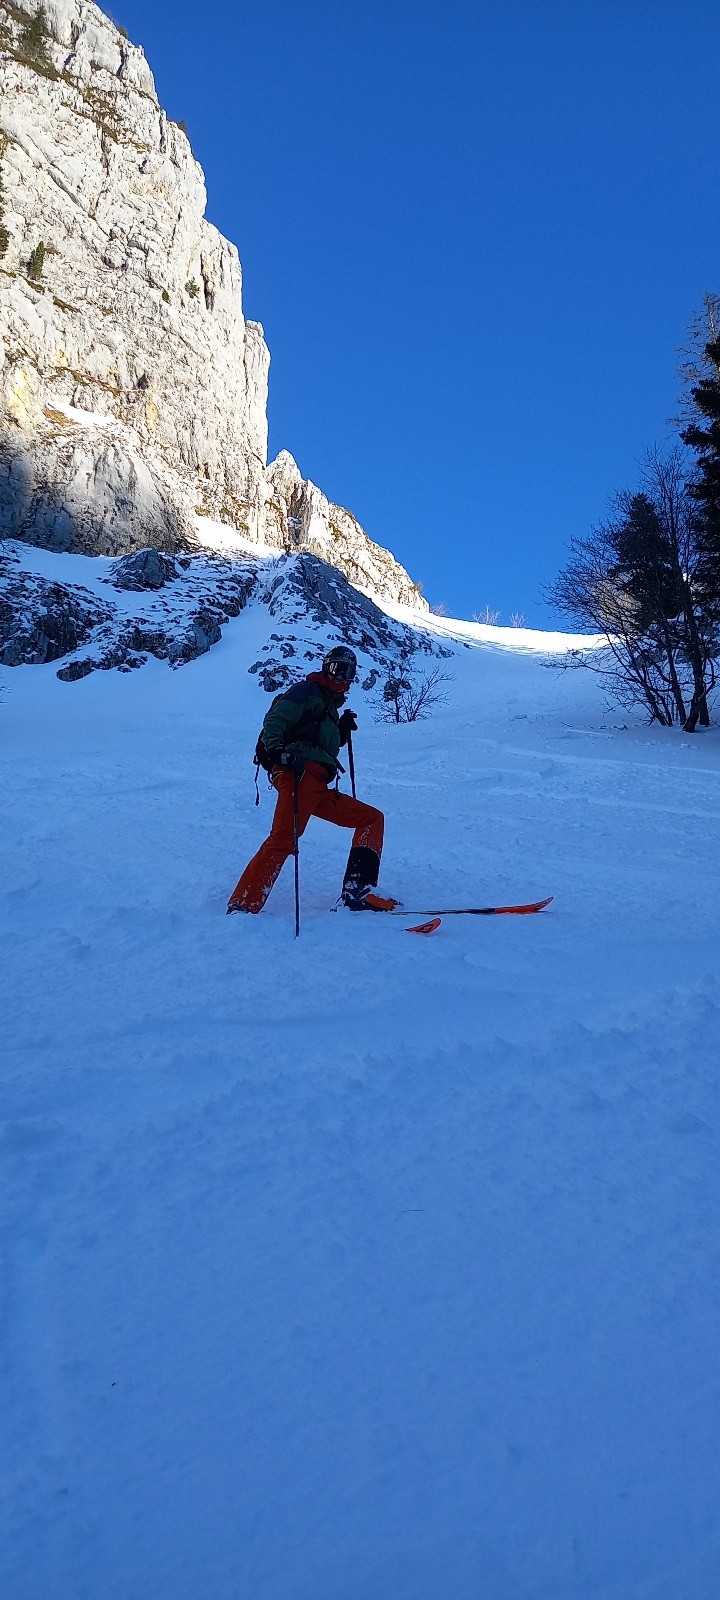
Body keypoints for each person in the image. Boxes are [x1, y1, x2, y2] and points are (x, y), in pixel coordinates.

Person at [227, 645, 398, 915]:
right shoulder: (307, 691)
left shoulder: (329, 708)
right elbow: (277, 720)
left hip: (318, 785)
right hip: (299, 775)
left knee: (371, 818)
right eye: (336, 668)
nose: (342, 677)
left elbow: (317, 743)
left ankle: (358, 891)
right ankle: (243, 904)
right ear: (325, 667)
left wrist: (340, 732)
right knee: (284, 838)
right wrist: (278, 753)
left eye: (348, 672)